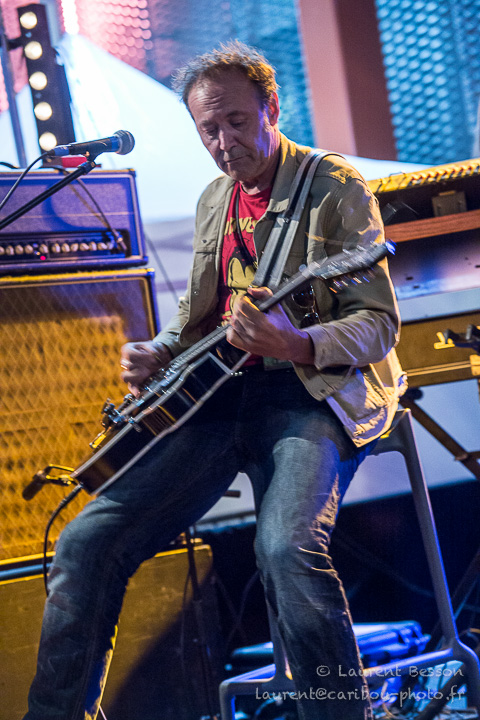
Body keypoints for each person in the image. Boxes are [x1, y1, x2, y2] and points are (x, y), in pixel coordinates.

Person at [24, 41, 405, 720]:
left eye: (236, 121)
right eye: (209, 129)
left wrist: (298, 342)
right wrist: (159, 351)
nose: (224, 143)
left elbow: (377, 325)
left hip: (311, 393)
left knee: (285, 548)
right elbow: (199, 319)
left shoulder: (333, 186)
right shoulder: (214, 200)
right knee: (86, 543)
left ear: (271, 109)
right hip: (221, 396)